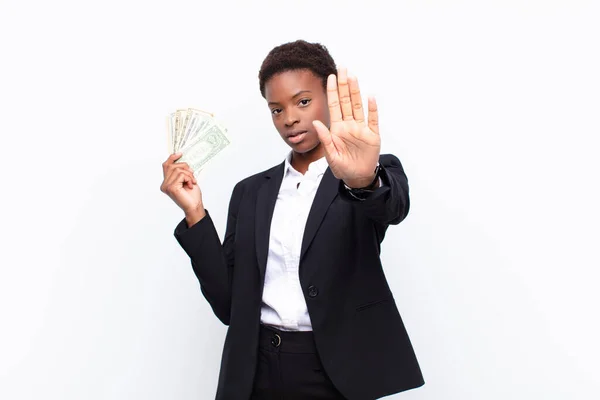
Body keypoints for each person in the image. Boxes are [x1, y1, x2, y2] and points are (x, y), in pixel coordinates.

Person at [160, 40, 424, 400]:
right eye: (275, 109)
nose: (289, 118)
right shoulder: (251, 192)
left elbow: (392, 207)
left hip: (335, 371)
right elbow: (228, 306)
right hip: (258, 369)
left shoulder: (366, 175)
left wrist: (362, 179)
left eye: (302, 101)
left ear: (330, 97)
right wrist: (194, 213)